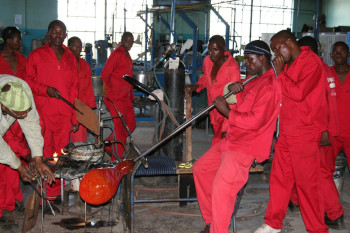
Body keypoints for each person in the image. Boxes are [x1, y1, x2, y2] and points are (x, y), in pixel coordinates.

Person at [194, 40, 281, 233]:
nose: (246, 64)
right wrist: (235, 87)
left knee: (222, 188)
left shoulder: (269, 85)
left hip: (247, 145)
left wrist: (227, 113)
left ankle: (219, 230)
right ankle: (212, 223)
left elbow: (255, 122)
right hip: (232, 138)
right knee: (201, 169)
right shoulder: (253, 78)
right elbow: (240, 99)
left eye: (250, 60)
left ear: (262, 58)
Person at [255, 30, 329, 233]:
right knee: (279, 180)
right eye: (274, 51)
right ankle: (273, 223)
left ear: (289, 42)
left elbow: (297, 92)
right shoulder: (286, 65)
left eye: (278, 49)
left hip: (304, 133)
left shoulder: (311, 62)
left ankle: (317, 229)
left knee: (307, 186)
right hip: (286, 132)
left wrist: (280, 74)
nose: (277, 54)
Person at [287, 36, 345, 229]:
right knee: (308, 170)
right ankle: (295, 200)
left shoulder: (312, 68)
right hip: (323, 129)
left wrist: (324, 130)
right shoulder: (326, 69)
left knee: (320, 173)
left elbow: (321, 103)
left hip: (318, 130)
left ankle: (334, 213)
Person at [25, 20, 79, 203]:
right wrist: (44, 89)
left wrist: (74, 116)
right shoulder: (36, 55)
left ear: (65, 34)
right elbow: (27, 82)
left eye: (61, 32)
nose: (58, 35)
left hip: (64, 115)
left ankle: (57, 193)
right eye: (54, 31)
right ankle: (43, 196)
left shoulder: (71, 57)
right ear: (48, 33)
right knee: (44, 154)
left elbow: (74, 89)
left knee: (61, 155)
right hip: (43, 114)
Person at [0, 74, 55, 223]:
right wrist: (19, 166)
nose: (25, 115)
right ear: (4, 107)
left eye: (26, 110)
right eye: (20, 113)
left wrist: (38, 159)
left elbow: (31, 125)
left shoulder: (22, 89)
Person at [185, 35, 241, 145]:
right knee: (218, 144)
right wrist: (196, 86)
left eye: (215, 50)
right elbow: (206, 78)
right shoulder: (207, 61)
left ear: (224, 49)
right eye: (209, 50)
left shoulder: (232, 68)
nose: (211, 54)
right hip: (213, 110)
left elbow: (234, 100)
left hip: (226, 112)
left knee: (219, 144)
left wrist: (226, 127)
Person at [0, 26, 31, 219]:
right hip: (3, 116)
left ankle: (12, 201)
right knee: (5, 162)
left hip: (18, 117)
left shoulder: (22, 60)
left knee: (16, 160)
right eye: (18, 40)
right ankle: (3, 205)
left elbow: (27, 85)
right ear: (8, 40)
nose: (20, 43)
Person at [101, 31, 135, 159]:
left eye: (131, 42)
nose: (129, 44)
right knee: (119, 129)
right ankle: (117, 158)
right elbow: (105, 74)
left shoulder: (127, 54)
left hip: (125, 98)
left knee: (131, 124)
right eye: (127, 41)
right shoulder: (117, 54)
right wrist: (112, 91)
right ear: (122, 40)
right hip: (116, 98)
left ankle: (108, 144)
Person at [68, 36, 96, 142]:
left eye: (80, 46)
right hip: (68, 105)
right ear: (69, 47)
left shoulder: (85, 65)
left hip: (81, 106)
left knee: (80, 139)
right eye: (75, 45)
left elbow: (88, 87)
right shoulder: (64, 63)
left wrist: (90, 106)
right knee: (64, 139)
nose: (79, 48)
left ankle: (78, 157)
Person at [329, 41, 350, 175]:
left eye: (342, 51)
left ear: (348, 54)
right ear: (331, 55)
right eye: (335, 52)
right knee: (326, 168)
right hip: (332, 132)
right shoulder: (325, 73)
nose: (338, 54)